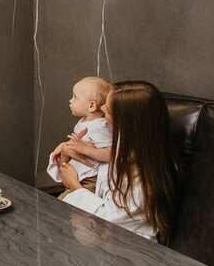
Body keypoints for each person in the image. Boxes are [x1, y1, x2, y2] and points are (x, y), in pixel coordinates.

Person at [57, 80, 178, 243]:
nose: (101, 109)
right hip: (95, 233)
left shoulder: (143, 179)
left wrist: (75, 187)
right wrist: (66, 149)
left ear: (125, 123)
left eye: (107, 110)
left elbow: (109, 219)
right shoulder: (117, 149)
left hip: (126, 246)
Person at [46, 76, 114, 194]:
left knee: (66, 202)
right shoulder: (85, 121)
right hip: (78, 176)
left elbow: (110, 154)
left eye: (75, 97)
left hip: (89, 180)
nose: (70, 100)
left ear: (91, 106)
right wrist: (66, 145)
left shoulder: (100, 126)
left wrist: (84, 149)